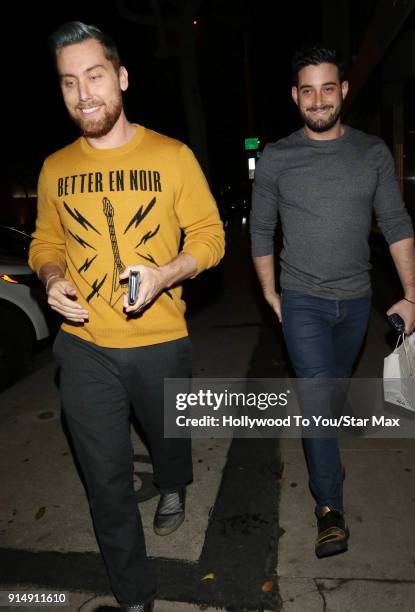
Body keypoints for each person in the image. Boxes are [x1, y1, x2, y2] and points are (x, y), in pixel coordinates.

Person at [29, 21, 225, 612]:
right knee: (105, 481)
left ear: (121, 77)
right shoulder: (54, 168)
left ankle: (173, 484)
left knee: (168, 436)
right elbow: (45, 243)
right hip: (83, 346)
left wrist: (164, 273)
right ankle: (134, 597)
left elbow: (212, 237)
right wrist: (53, 277)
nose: (83, 93)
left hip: (161, 336)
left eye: (94, 76)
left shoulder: (171, 155)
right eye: (69, 82)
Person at [250, 44, 415, 559]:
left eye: (328, 88)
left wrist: (412, 295)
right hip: (302, 300)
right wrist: (271, 294)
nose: (318, 100)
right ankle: (329, 510)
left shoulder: (372, 154)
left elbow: (395, 222)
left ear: (343, 91)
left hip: (356, 302)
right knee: (319, 403)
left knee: (331, 393)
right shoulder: (277, 156)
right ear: (295, 97)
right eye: (307, 90)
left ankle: (326, 456)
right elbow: (261, 230)